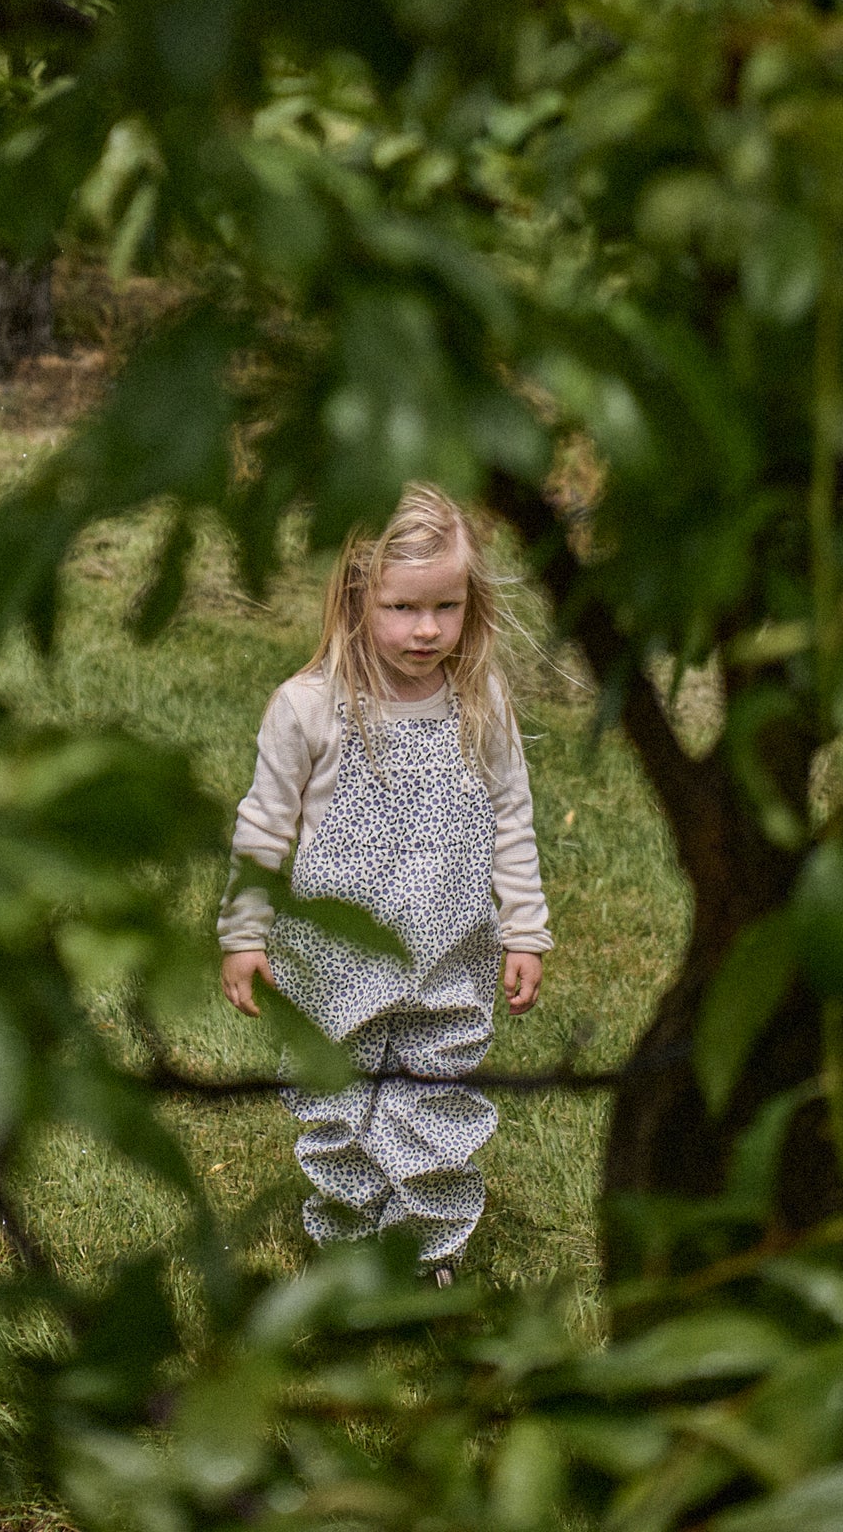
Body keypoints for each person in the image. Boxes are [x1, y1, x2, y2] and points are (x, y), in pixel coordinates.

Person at [217, 484, 551, 1277]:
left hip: (449, 950)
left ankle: (426, 1245)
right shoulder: (309, 709)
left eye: (446, 606)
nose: (426, 629)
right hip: (336, 961)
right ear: (356, 600)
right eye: (402, 607)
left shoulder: (481, 703)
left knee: (434, 1097)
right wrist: (243, 932)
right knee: (338, 1100)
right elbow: (263, 825)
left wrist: (526, 930)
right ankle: (347, 1242)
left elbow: (511, 817)